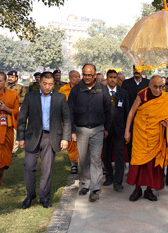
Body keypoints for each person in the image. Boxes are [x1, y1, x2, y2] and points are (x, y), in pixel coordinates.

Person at [17, 71, 71, 209]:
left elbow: (66, 119)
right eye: (45, 84)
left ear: (54, 84)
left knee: (47, 169)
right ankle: (30, 195)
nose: (47, 87)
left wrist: (65, 138)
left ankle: (44, 197)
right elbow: (22, 118)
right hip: (32, 136)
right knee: (28, 167)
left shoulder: (60, 98)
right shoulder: (30, 96)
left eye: (51, 84)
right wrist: (20, 137)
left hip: (50, 137)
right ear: (40, 82)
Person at [125, 75, 168, 202]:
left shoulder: (165, 98)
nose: (158, 90)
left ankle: (149, 190)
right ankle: (137, 189)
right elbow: (132, 112)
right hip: (140, 134)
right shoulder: (142, 95)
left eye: (160, 87)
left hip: (156, 136)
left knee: (152, 165)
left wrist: (167, 122)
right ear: (149, 85)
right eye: (155, 87)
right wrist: (127, 130)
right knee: (138, 162)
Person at [68, 64, 111, 202]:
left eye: (89, 75)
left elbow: (108, 111)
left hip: (98, 129)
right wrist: (72, 131)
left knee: (96, 159)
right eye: (84, 75)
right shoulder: (76, 90)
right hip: (81, 130)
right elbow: (70, 112)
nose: (87, 77)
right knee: (83, 159)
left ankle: (95, 188)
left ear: (94, 75)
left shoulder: (102, 89)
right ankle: (84, 184)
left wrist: (107, 128)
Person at [102, 70, 129, 192]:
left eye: (115, 77)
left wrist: (127, 130)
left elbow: (127, 112)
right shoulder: (101, 92)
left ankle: (118, 182)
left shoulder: (123, 93)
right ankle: (109, 177)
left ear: (118, 79)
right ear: (107, 78)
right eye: (110, 77)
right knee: (106, 154)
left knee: (119, 155)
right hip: (105, 129)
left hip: (120, 128)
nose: (112, 79)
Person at [121, 65, 150, 161]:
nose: (137, 71)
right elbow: (123, 101)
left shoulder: (148, 83)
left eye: (139, 69)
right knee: (130, 142)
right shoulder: (126, 83)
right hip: (130, 117)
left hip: (144, 119)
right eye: (135, 69)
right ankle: (131, 165)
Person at [59, 70, 81, 174]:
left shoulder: (83, 88)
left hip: (81, 119)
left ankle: (83, 163)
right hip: (68, 120)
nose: (78, 79)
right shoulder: (64, 90)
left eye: (79, 77)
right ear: (70, 79)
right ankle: (73, 164)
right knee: (71, 143)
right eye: (76, 77)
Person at [6, 70, 26, 157]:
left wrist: (12, 99)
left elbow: (23, 98)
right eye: (9, 76)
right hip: (4, 109)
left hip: (16, 109)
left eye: (12, 77)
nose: (10, 78)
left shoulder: (21, 87)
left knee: (15, 129)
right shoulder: (4, 86)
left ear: (16, 78)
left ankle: (13, 150)